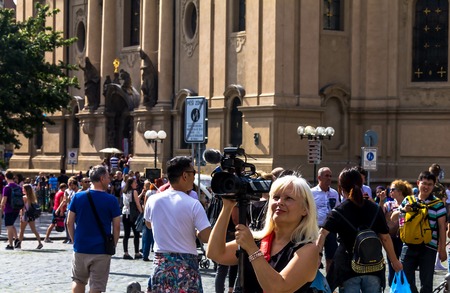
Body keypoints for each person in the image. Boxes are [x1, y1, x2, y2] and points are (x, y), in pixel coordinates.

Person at [207, 174, 319, 292]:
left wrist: (252, 250)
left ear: (305, 209)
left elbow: (277, 289)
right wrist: (227, 208)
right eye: (276, 197)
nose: (280, 202)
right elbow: (215, 254)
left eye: (288, 198)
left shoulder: (309, 249)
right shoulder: (257, 240)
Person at [317, 167, 402, 292]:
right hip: (373, 266)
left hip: (347, 268)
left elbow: (322, 234)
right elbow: (385, 237)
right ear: (361, 185)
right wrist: (395, 262)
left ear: (341, 188)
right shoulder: (375, 209)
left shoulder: (338, 211)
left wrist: (317, 256)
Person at [144, 156, 211, 292]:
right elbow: (206, 236)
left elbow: (148, 224)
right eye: (193, 173)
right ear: (185, 176)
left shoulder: (153, 200)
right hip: (186, 268)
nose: (195, 176)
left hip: (161, 266)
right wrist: (195, 232)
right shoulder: (193, 204)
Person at [67, 165, 121, 293]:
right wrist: (113, 243)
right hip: (101, 249)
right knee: (96, 287)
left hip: (81, 247)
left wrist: (74, 240)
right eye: (108, 177)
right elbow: (117, 226)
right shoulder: (111, 200)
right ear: (102, 178)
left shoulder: (78, 197)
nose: (109, 180)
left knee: (78, 281)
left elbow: (69, 222)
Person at [398, 171, 447, 293]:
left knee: (426, 283)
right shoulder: (408, 200)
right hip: (408, 245)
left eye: (430, 184)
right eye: (424, 183)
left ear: (434, 185)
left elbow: (442, 227)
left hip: (429, 247)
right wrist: (403, 210)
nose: (426, 187)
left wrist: (442, 249)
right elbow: (398, 219)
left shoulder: (438, 204)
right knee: (405, 279)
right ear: (418, 183)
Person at [381, 179, 412, 286]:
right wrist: (381, 201)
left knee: (405, 266)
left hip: (405, 239)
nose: (390, 191)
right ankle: (393, 287)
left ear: (400, 191)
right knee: (392, 266)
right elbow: (379, 214)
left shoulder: (409, 203)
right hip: (391, 238)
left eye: (392, 189)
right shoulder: (389, 204)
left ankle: (403, 287)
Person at [311, 167, 340, 273]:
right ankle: (314, 281)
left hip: (330, 229)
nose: (329, 178)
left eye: (330, 176)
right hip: (316, 228)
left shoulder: (334, 193)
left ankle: (329, 282)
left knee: (331, 257)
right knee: (315, 256)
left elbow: (337, 209)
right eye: (326, 176)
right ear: (319, 177)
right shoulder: (312, 192)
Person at [122, 177, 143, 260]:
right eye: (135, 183)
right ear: (131, 184)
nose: (136, 184)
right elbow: (137, 203)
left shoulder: (124, 191)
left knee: (126, 234)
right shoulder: (134, 191)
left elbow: (135, 199)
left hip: (125, 213)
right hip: (132, 215)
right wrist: (141, 213)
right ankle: (136, 252)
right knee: (136, 234)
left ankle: (125, 252)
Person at [17, 184, 43, 249]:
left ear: (26, 190)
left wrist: (21, 215)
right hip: (31, 215)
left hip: (25, 215)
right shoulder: (32, 197)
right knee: (34, 230)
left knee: (21, 231)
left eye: (23, 189)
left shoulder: (24, 197)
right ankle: (40, 242)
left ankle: (19, 244)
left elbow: (22, 208)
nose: (22, 190)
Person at [1, 171, 20, 249]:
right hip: (16, 208)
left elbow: (4, 199)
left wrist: (1, 206)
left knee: (8, 226)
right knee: (11, 224)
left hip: (9, 209)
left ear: (6, 177)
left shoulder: (7, 187)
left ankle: (10, 244)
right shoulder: (18, 187)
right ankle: (17, 239)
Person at [141, 180, 156, 261]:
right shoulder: (158, 193)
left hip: (148, 215)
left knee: (146, 237)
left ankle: (145, 254)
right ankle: (154, 249)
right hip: (155, 216)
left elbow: (145, 204)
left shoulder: (148, 193)